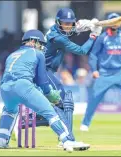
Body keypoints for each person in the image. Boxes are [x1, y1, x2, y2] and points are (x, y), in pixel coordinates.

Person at [0, 29, 87, 152]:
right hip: (23, 86)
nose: (42, 47)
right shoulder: (38, 54)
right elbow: (42, 81)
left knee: (9, 111)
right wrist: (50, 95)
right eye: (41, 44)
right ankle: (68, 140)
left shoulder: (12, 54)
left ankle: (1, 140)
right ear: (33, 41)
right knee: (50, 112)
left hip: (5, 88)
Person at [39, 7, 102, 148]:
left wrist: (82, 26)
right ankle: (68, 139)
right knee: (63, 102)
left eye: (70, 23)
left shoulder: (56, 30)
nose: (67, 26)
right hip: (43, 71)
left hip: (45, 71)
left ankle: (25, 122)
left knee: (61, 102)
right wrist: (93, 35)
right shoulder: (58, 38)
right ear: (58, 22)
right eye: (64, 23)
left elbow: (70, 31)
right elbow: (82, 50)